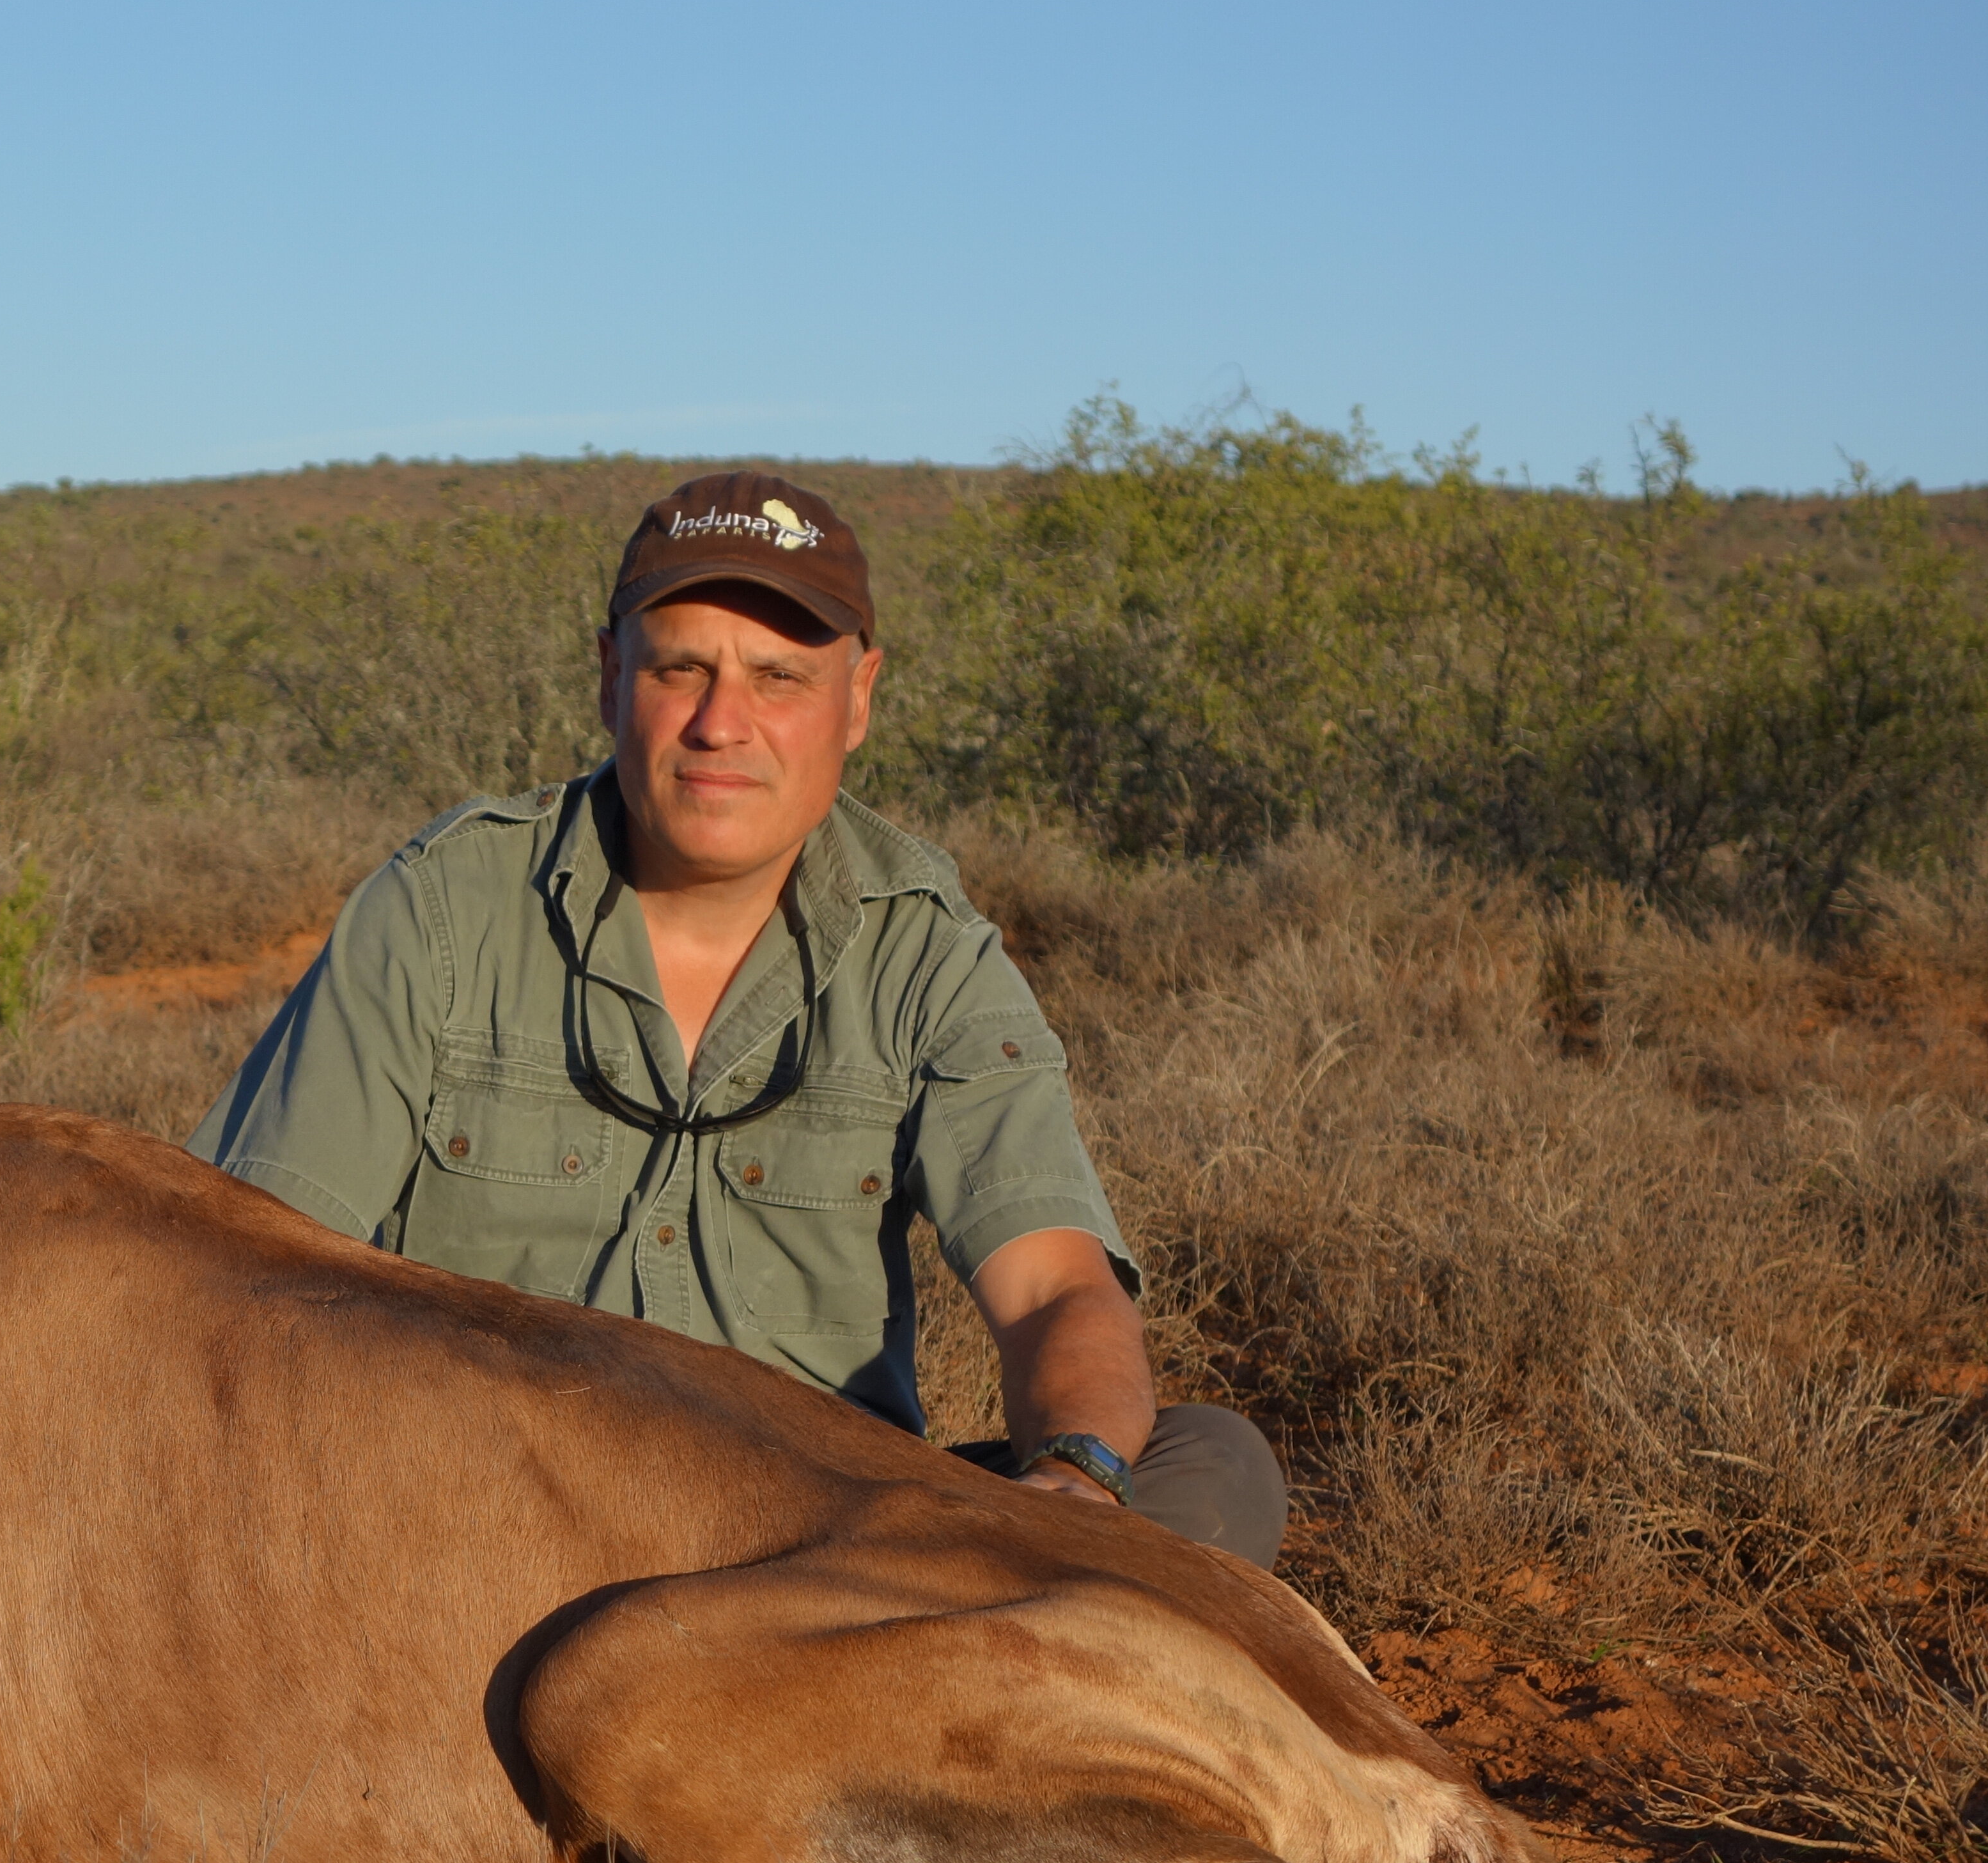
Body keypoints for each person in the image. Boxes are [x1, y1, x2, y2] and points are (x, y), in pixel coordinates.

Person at [189, 471, 1286, 1564]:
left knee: (1204, 1464)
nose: (723, 723)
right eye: (681, 668)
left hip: (808, 1552)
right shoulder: (444, 906)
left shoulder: (927, 951)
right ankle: (905, 1706)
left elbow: (1054, 1286)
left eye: (777, 676)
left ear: (857, 698)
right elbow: (238, 1275)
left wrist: (1075, 1485)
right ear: (611, 675)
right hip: (478, 1529)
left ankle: (830, 1680)